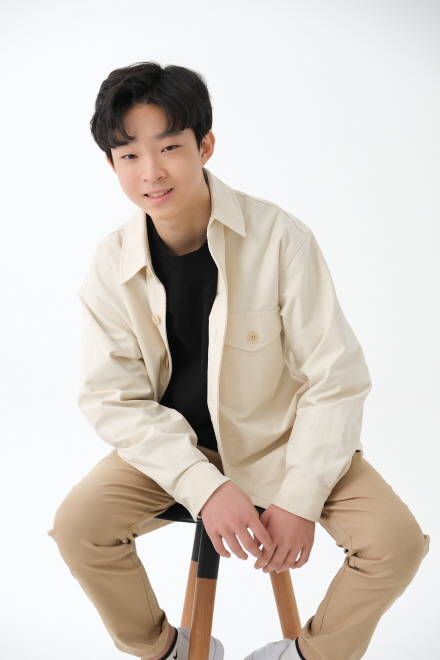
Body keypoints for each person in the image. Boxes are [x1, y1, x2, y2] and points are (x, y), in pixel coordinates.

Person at [48, 62, 429, 660]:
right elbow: (113, 400)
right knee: (79, 528)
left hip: (283, 442)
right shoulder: (110, 264)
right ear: (111, 164)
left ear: (204, 146)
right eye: (129, 155)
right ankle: (167, 651)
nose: (151, 172)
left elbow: (335, 377)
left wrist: (300, 495)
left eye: (169, 148)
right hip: (175, 453)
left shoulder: (280, 238)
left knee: (396, 543)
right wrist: (204, 486)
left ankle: (303, 657)